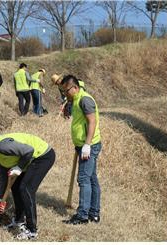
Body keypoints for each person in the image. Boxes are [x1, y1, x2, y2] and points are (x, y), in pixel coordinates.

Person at [0, 133, 56, 240]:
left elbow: (29, 151)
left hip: (42, 156)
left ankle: (32, 230)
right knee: (15, 187)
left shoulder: (1, 147)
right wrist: (1, 198)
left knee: (26, 189)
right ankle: (19, 221)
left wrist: (19, 167)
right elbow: (5, 177)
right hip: (28, 159)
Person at [60, 75, 102, 225]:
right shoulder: (76, 99)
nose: (65, 94)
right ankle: (94, 213)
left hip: (89, 146)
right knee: (91, 178)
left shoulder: (85, 99)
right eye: (63, 91)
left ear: (75, 88)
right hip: (83, 145)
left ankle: (82, 215)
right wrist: (66, 107)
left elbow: (92, 122)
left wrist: (87, 145)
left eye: (66, 91)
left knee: (83, 178)